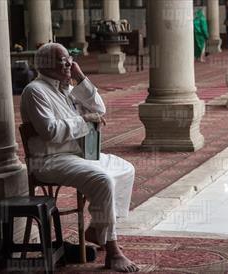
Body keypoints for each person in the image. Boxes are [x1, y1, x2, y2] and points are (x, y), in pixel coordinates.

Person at [20, 43, 139, 273]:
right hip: (50, 159)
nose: (68, 64)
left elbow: (99, 108)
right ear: (45, 65)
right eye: (62, 60)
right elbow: (49, 131)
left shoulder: (66, 88)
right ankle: (113, 249)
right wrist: (84, 120)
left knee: (125, 168)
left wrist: (80, 77)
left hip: (76, 155)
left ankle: (96, 230)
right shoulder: (35, 91)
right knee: (102, 178)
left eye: (69, 59)